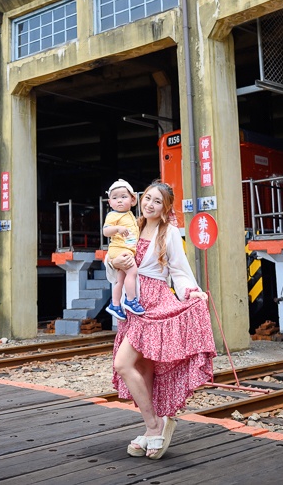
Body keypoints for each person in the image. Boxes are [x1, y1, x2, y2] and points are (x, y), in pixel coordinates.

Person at [107, 180, 215, 460]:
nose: (150, 204)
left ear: (165, 207)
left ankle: (156, 425)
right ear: (140, 200)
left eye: (157, 201)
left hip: (154, 304)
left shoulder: (169, 232)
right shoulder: (133, 226)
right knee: (143, 369)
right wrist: (114, 263)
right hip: (134, 305)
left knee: (122, 363)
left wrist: (191, 291)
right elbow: (116, 257)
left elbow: (178, 270)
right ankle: (151, 426)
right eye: (148, 199)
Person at [103, 179, 143, 320]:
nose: (119, 201)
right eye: (115, 198)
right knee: (132, 271)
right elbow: (106, 231)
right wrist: (117, 228)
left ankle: (115, 304)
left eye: (123, 197)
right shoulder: (113, 215)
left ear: (133, 200)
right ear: (109, 202)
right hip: (120, 250)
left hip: (124, 249)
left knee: (120, 280)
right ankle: (131, 300)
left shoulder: (129, 215)